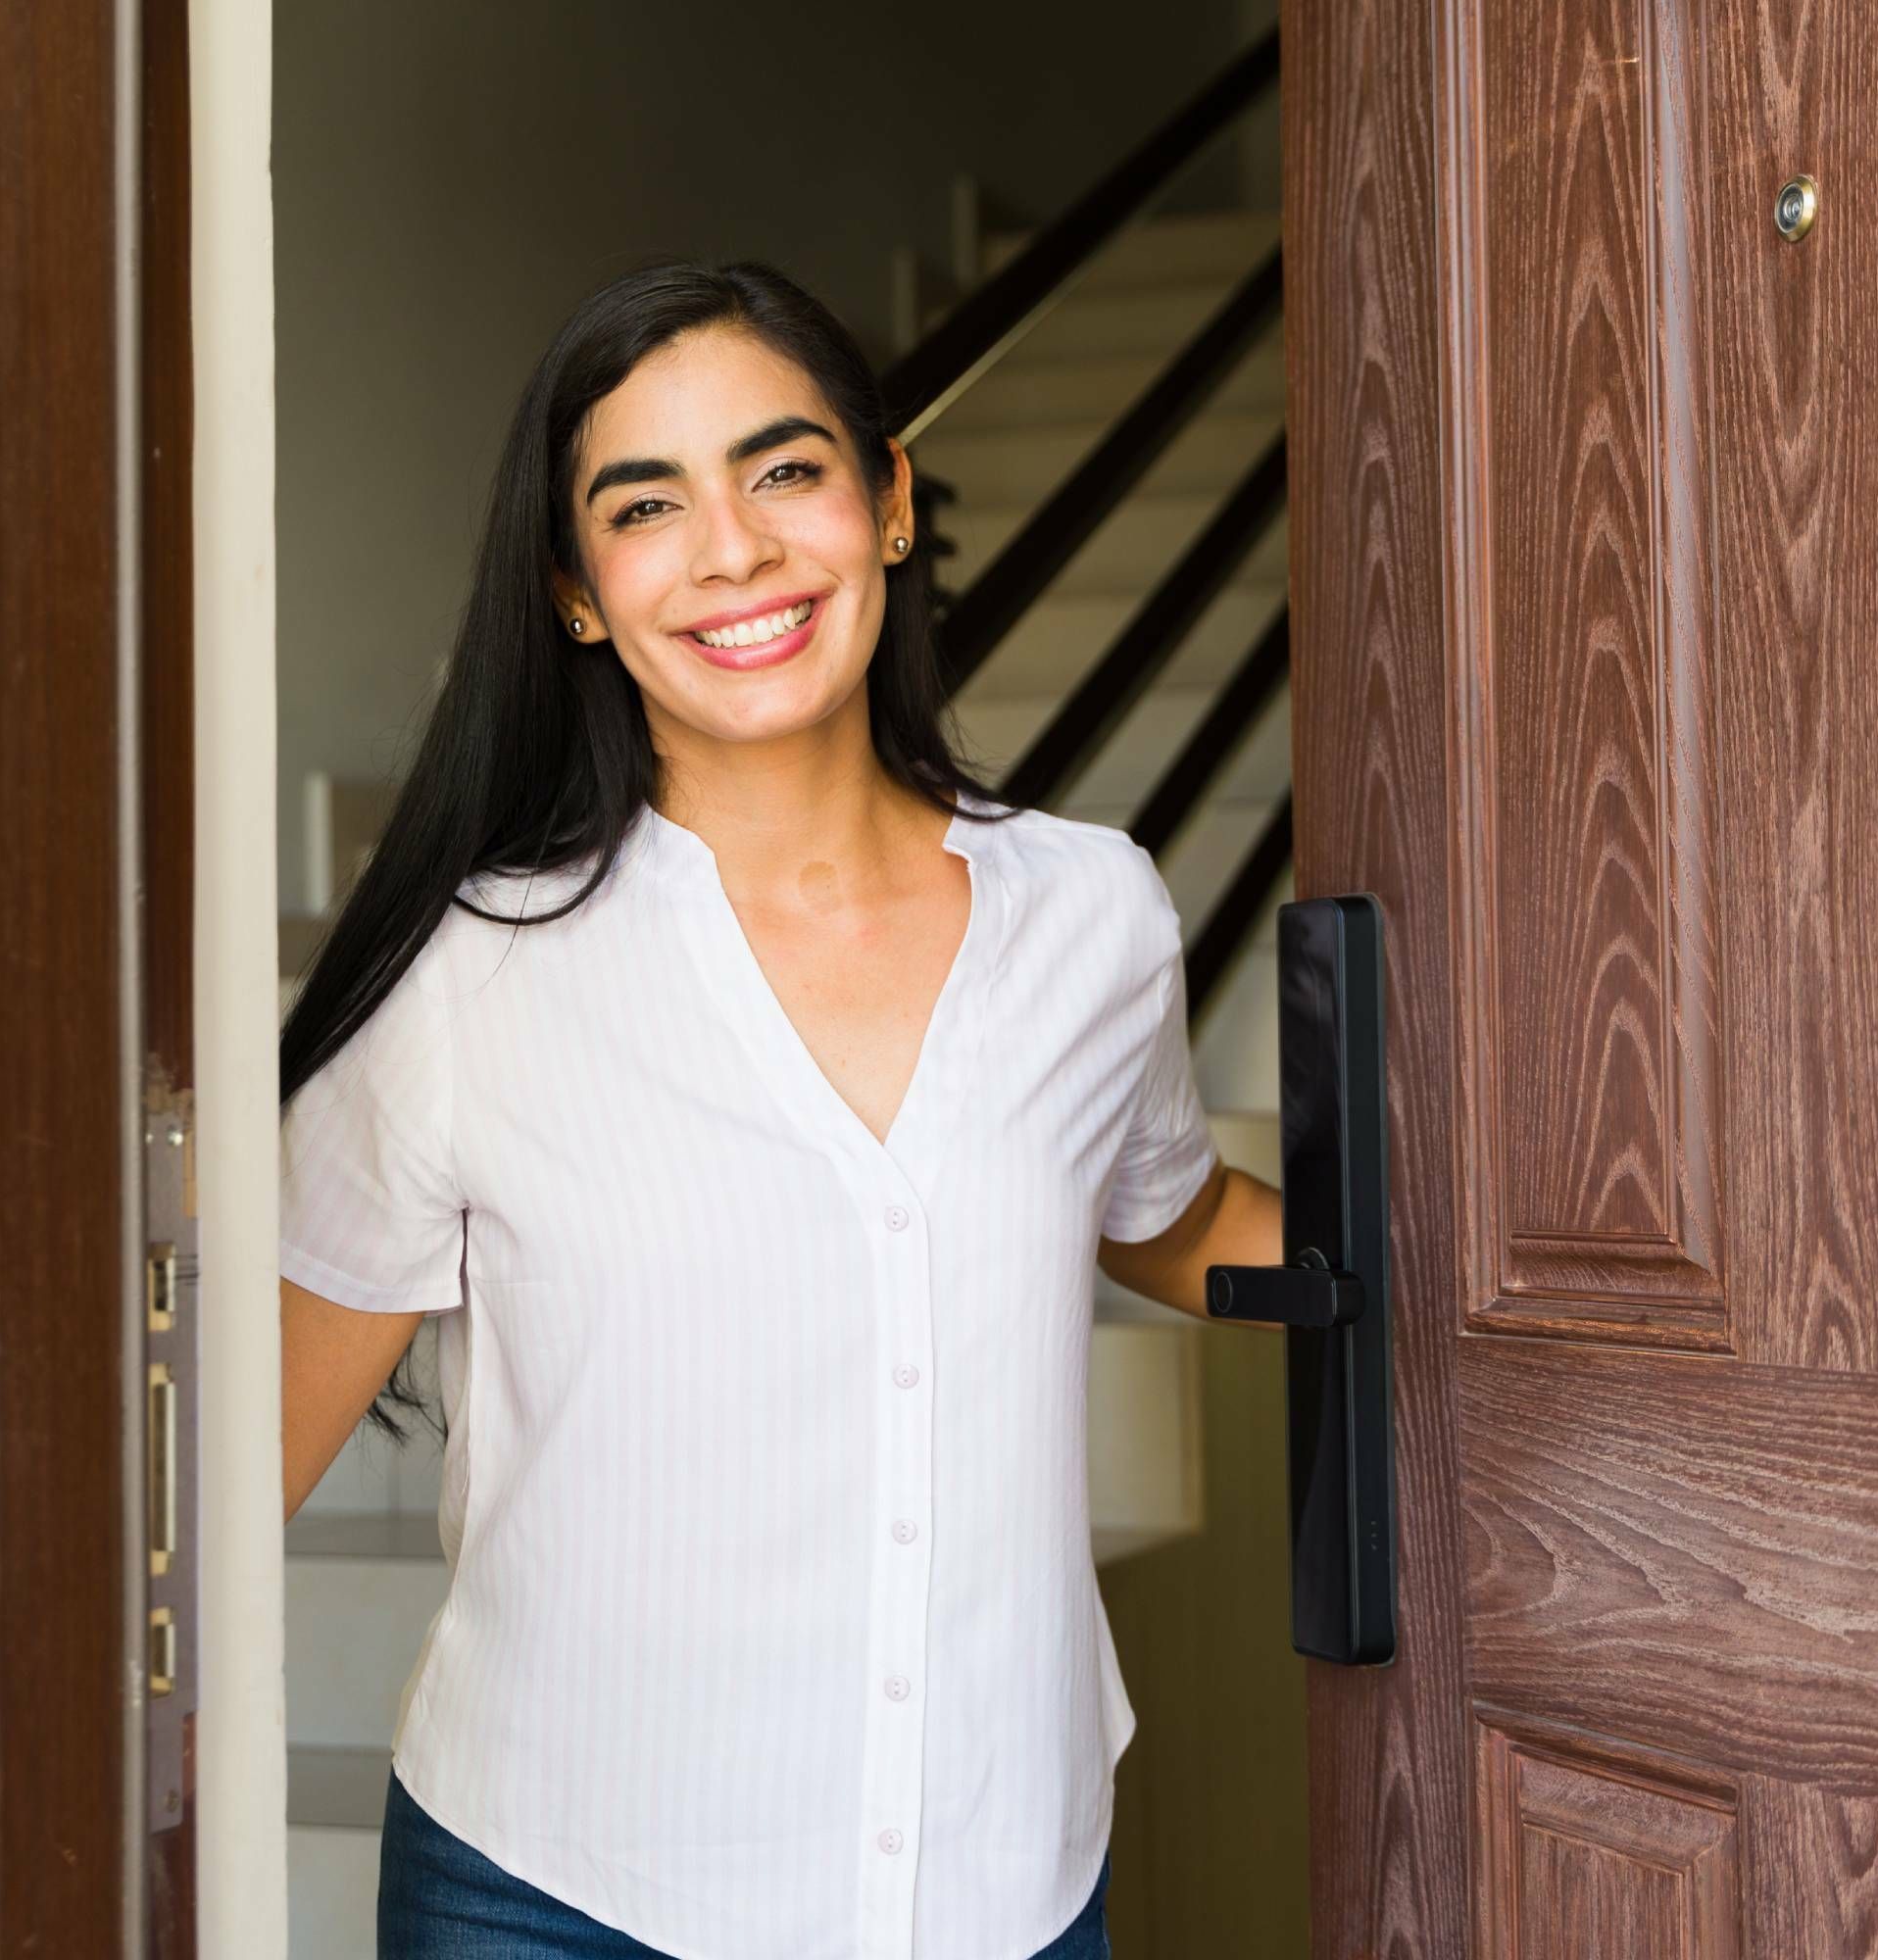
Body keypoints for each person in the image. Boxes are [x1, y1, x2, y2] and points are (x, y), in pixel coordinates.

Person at [275, 259, 1286, 1959]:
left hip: (1006, 1881)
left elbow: (1171, 1219)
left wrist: (1456, 1285)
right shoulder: (471, 981)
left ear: (890, 502)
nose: (734, 549)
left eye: (785, 469)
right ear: (579, 592)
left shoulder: (1091, 917)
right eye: (646, 504)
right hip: (560, 1897)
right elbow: (228, 1486)